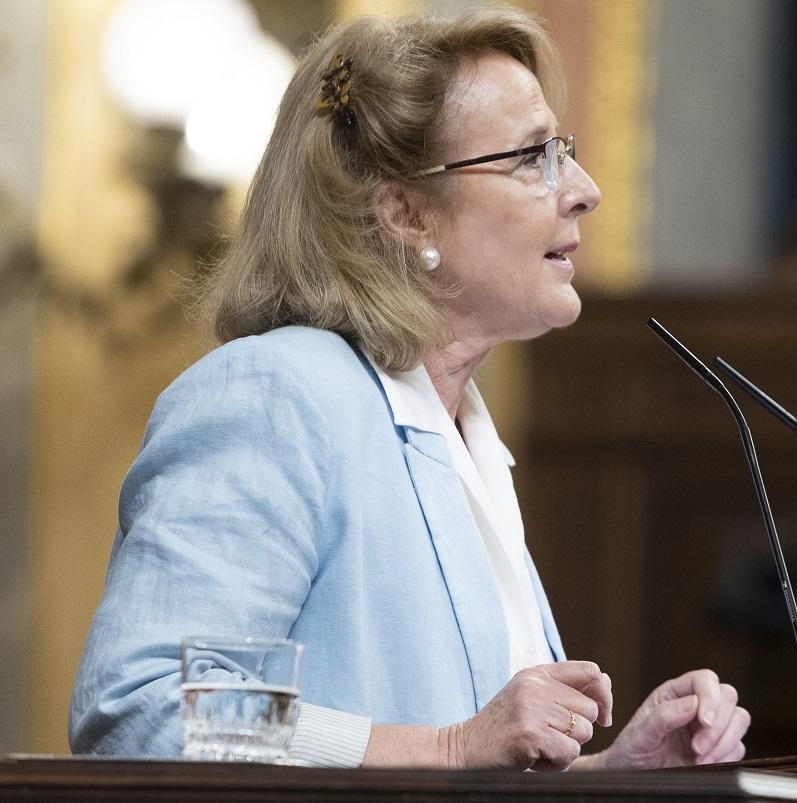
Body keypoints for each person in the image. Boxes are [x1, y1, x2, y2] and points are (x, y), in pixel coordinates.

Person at [69, 7, 749, 771]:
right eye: (533, 156)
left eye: (565, 151)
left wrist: (615, 773)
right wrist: (449, 745)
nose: (584, 189)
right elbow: (154, 703)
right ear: (405, 212)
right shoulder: (279, 395)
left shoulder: (463, 436)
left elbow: (475, 769)